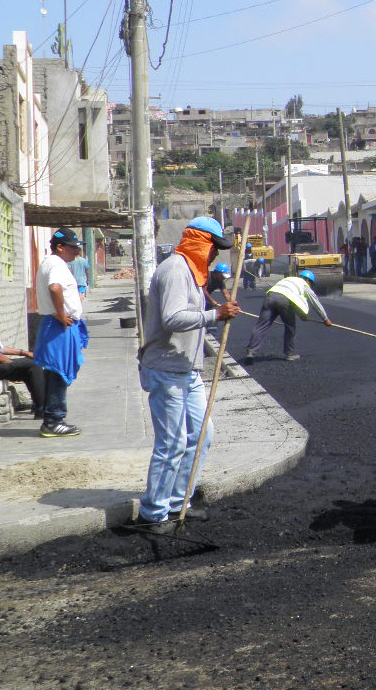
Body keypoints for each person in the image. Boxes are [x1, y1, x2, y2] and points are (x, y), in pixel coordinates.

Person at [133, 216, 240, 530]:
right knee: (172, 443)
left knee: (202, 435)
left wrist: (216, 304)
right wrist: (215, 314)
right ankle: (153, 514)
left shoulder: (193, 274)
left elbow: (194, 309)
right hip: (166, 369)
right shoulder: (176, 270)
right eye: (214, 248)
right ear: (199, 242)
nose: (216, 255)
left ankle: (180, 502)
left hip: (187, 370)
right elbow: (173, 318)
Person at [32, 228, 88, 437]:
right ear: (60, 247)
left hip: (56, 325)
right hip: (58, 327)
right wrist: (61, 314)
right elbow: (55, 288)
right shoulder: (56, 264)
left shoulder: (53, 263)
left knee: (56, 372)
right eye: (73, 248)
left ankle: (51, 416)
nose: (76, 253)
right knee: (58, 374)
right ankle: (54, 420)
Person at [0, 291, 48, 419]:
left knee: (29, 364)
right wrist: (13, 366)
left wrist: (24, 353)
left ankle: (40, 406)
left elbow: (0, 348)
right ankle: (42, 408)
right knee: (31, 365)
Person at [243, 269, 332, 363]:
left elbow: (294, 298)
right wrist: (325, 319)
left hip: (270, 296)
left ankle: (251, 352)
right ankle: (289, 354)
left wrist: (301, 315)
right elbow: (315, 304)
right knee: (290, 327)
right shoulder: (304, 285)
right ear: (308, 280)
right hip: (284, 300)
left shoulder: (289, 279)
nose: (310, 285)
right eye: (311, 283)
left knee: (261, 326)